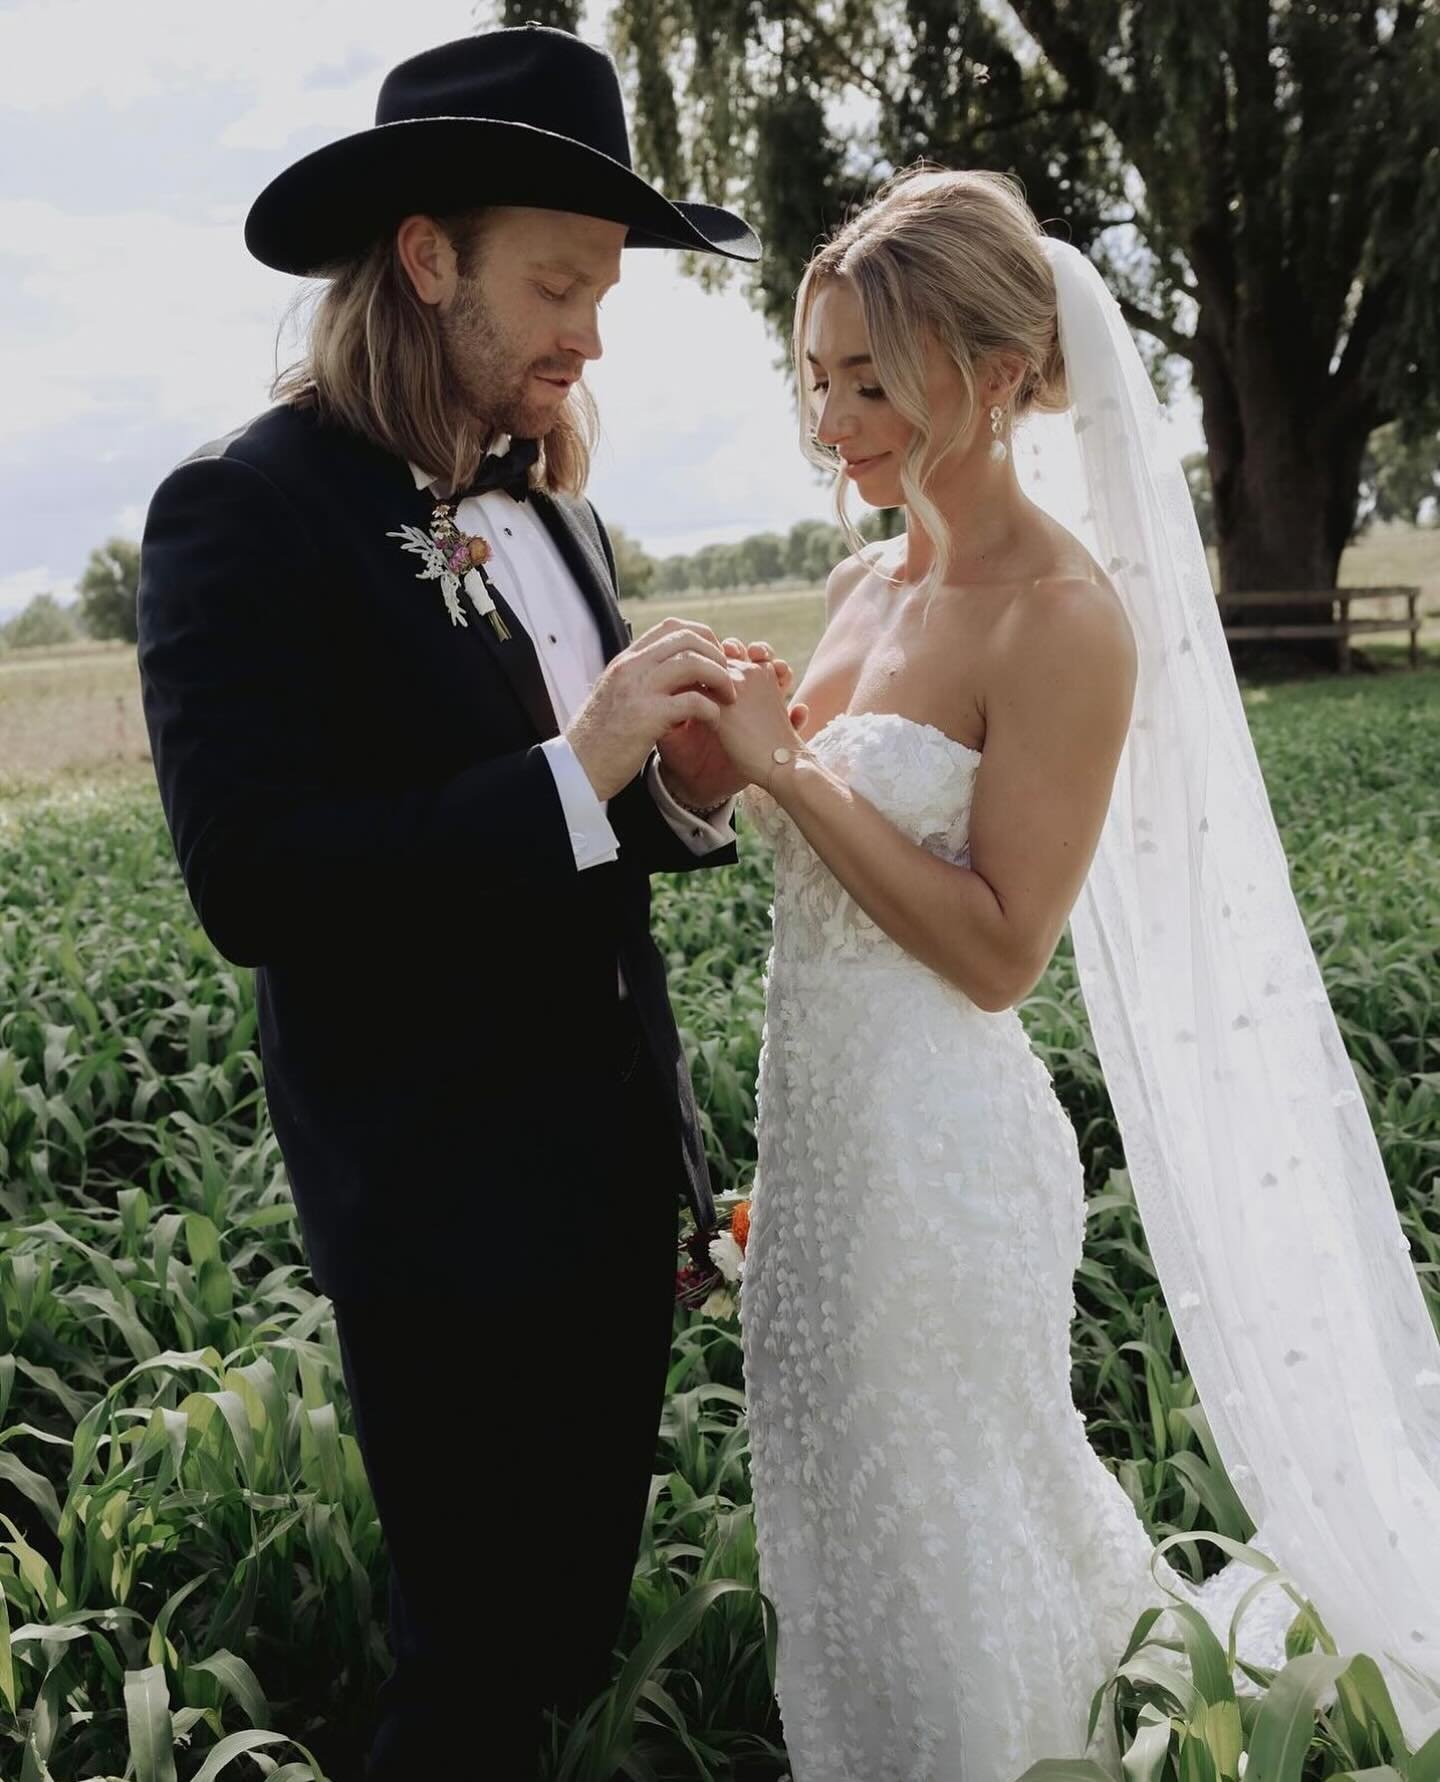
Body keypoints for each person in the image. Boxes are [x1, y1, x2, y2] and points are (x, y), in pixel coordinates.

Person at [705, 166, 1440, 1780]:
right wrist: (725, 756)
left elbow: (999, 948)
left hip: (940, 1161)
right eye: (818, 377)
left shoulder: (1062, 617)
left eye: (872, 378)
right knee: (842, 1524)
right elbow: (803, 839)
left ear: (995, 371)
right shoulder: (853, 590)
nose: (837, 419)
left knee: (946, 1519)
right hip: (818, 1141)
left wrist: (795, 772)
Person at [135, 27, 790, 1778]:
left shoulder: (545, 506)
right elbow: (254, 878)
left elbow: (583, 829)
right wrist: (577, 770)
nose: (591, 333)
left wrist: (680, 787)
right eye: (560, 285)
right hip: (436, 1207)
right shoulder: (238, 514)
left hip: (608, 1185)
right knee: (472, 1678)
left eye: (603, 293)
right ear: (427, 261)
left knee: (569, 1627)